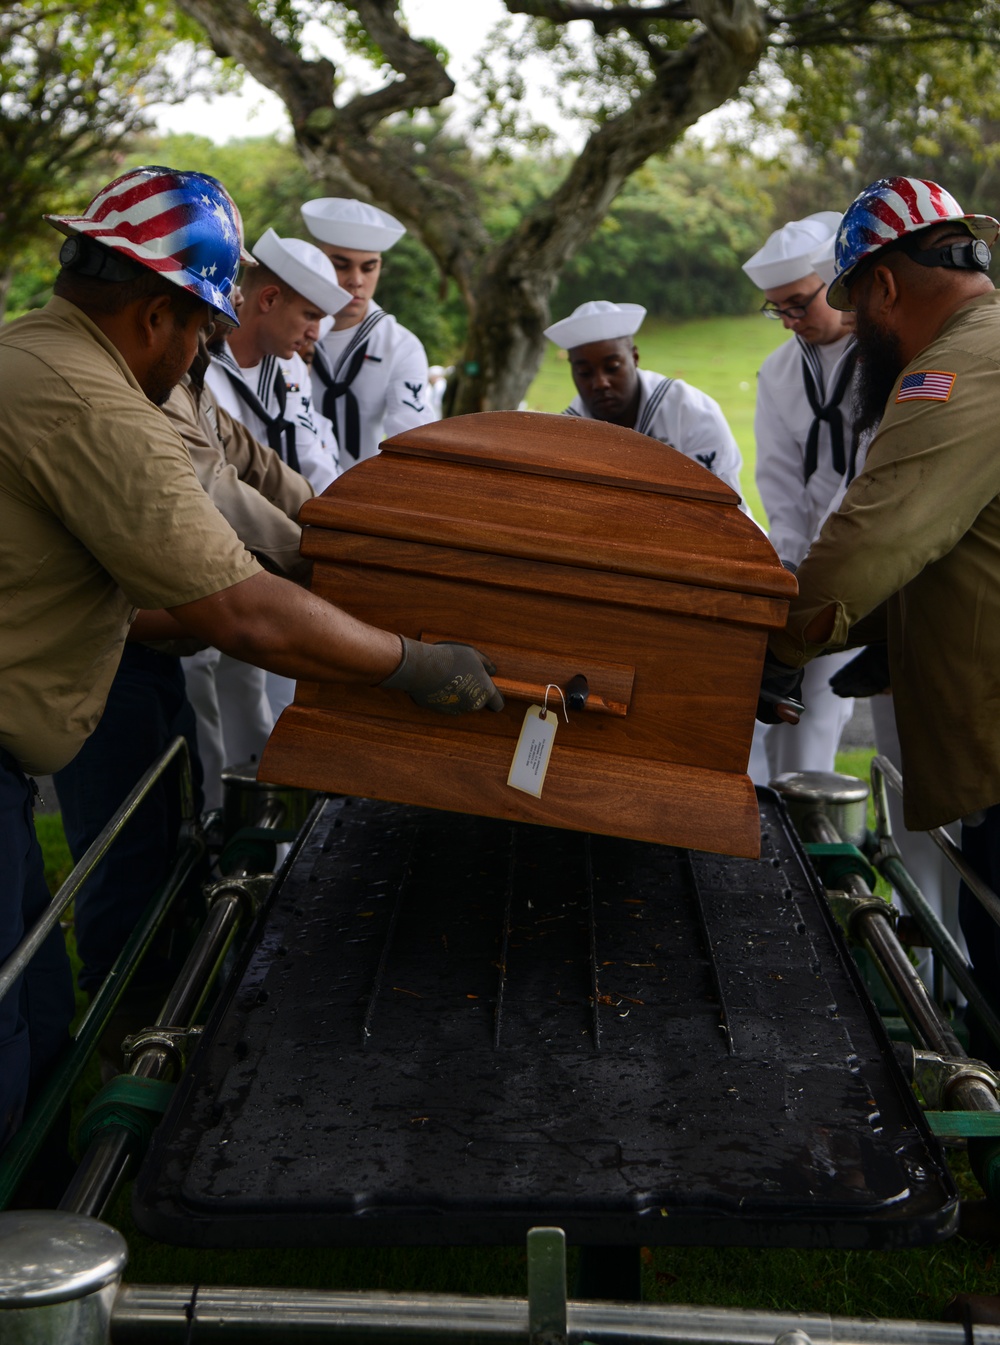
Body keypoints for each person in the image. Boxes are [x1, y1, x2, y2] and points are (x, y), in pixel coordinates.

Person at [0, 165, 502, 1152]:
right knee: (10, 1013)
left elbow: (254, 482)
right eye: (199, 327)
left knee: (30, 991)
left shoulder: (52, 355)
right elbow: (242, 611)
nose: (203, 348)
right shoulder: (94, 404)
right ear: (155, 315)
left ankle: (48, 1201)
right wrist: (415, 660)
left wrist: (374, 566)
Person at [758, 175, 1000, 1061]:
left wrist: (781, 644)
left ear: (886, 286)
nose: (864, 333)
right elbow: (949, 546)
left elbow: (875, 537)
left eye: (858, 309)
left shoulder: (963, 362)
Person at [197, 230, 351, 792]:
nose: (316, 333)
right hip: (211, 554)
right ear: (267, 301)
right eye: (309, 315)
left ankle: (271, 830)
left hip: (282, 554)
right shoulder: (201, 364)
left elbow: (312, 460)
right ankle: (217, 831)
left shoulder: (288, 369)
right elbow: (218, 475)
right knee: (207, 697)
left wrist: (344, 536)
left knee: (277, 699)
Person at [743, 212, 862, 780]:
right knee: (796, 722)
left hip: (870, 561)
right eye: (776, 309)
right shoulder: (778, 373)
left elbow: (865, 477)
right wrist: (788, 572)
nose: (789, 321)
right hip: (808, 572)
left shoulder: (883, 357)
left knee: (905, 742)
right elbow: (780, 487)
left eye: (798, 303)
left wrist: (818, 569)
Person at [543, 300, 747, 501]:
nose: (600, 383)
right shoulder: (567, 433)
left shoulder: (690, 411)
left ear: (635, 357)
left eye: (612, 367)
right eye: (584, 372)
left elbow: (721, 507)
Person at [301, 197, 435, 465]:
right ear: (318, 260)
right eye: (341, 264)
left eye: (369, 267)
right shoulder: (288, 332)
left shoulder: (401, 346)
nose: (356, 281)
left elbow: (413, 438)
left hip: (363, 492)